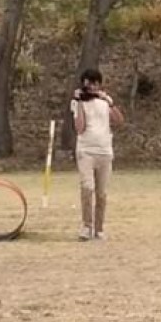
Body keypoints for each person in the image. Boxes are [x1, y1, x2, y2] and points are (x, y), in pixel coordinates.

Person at [70, 68, 124, 241]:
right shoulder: (78, 102)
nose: (92, 86)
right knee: (87, 187)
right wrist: (78, 101)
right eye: (88, 83)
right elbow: (80, 128)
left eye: (95, 83)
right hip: (86, 151)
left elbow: (119, 120)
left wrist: (109, 102)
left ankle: (99, 228)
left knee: (101, 193)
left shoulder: (104, 102)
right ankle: (86, 226)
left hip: (104, 151)